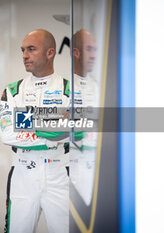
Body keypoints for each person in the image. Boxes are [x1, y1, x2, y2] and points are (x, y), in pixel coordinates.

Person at [0, 29, 69, 233]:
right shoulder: (12, 90)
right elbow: (7, 133)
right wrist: (53, 133)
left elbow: (78, 129)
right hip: (22, 174)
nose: (24, 56)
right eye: (22, 50)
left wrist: (25, 120)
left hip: (60, 174)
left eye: (31, 49)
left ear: (50, 53)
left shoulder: (70, 90)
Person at [70, 29, 99, 206]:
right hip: (67, 169)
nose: (94, 55)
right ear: (76, 52)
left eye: (95, 49)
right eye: (89, 49)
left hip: (94, 169)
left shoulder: (99, 88)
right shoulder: (63, 86)